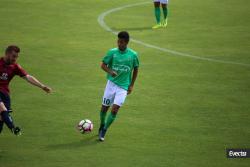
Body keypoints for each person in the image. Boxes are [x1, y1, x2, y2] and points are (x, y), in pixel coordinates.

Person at [0, 45, 52, 135]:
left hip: (4, 94)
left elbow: (27, 77)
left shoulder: (15, 67)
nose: (15, 59)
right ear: (7, 54)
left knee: (1, 119)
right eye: (13, 56)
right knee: (2, 109)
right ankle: (13, 128)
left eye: (16, 57)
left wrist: (42, 86)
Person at [98, 31, 139, 141]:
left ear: (126, 42)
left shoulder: (133, 55)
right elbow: (102, 65)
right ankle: (102, 124)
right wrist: (110, 71)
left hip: (123, 87)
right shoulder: (112, 53)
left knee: (115, 110)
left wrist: (132, 85)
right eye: (118, 41)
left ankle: (104, 130)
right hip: (111, 85)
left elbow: (136, 69)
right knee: (104, 109)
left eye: (121, 42)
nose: (119, 43)